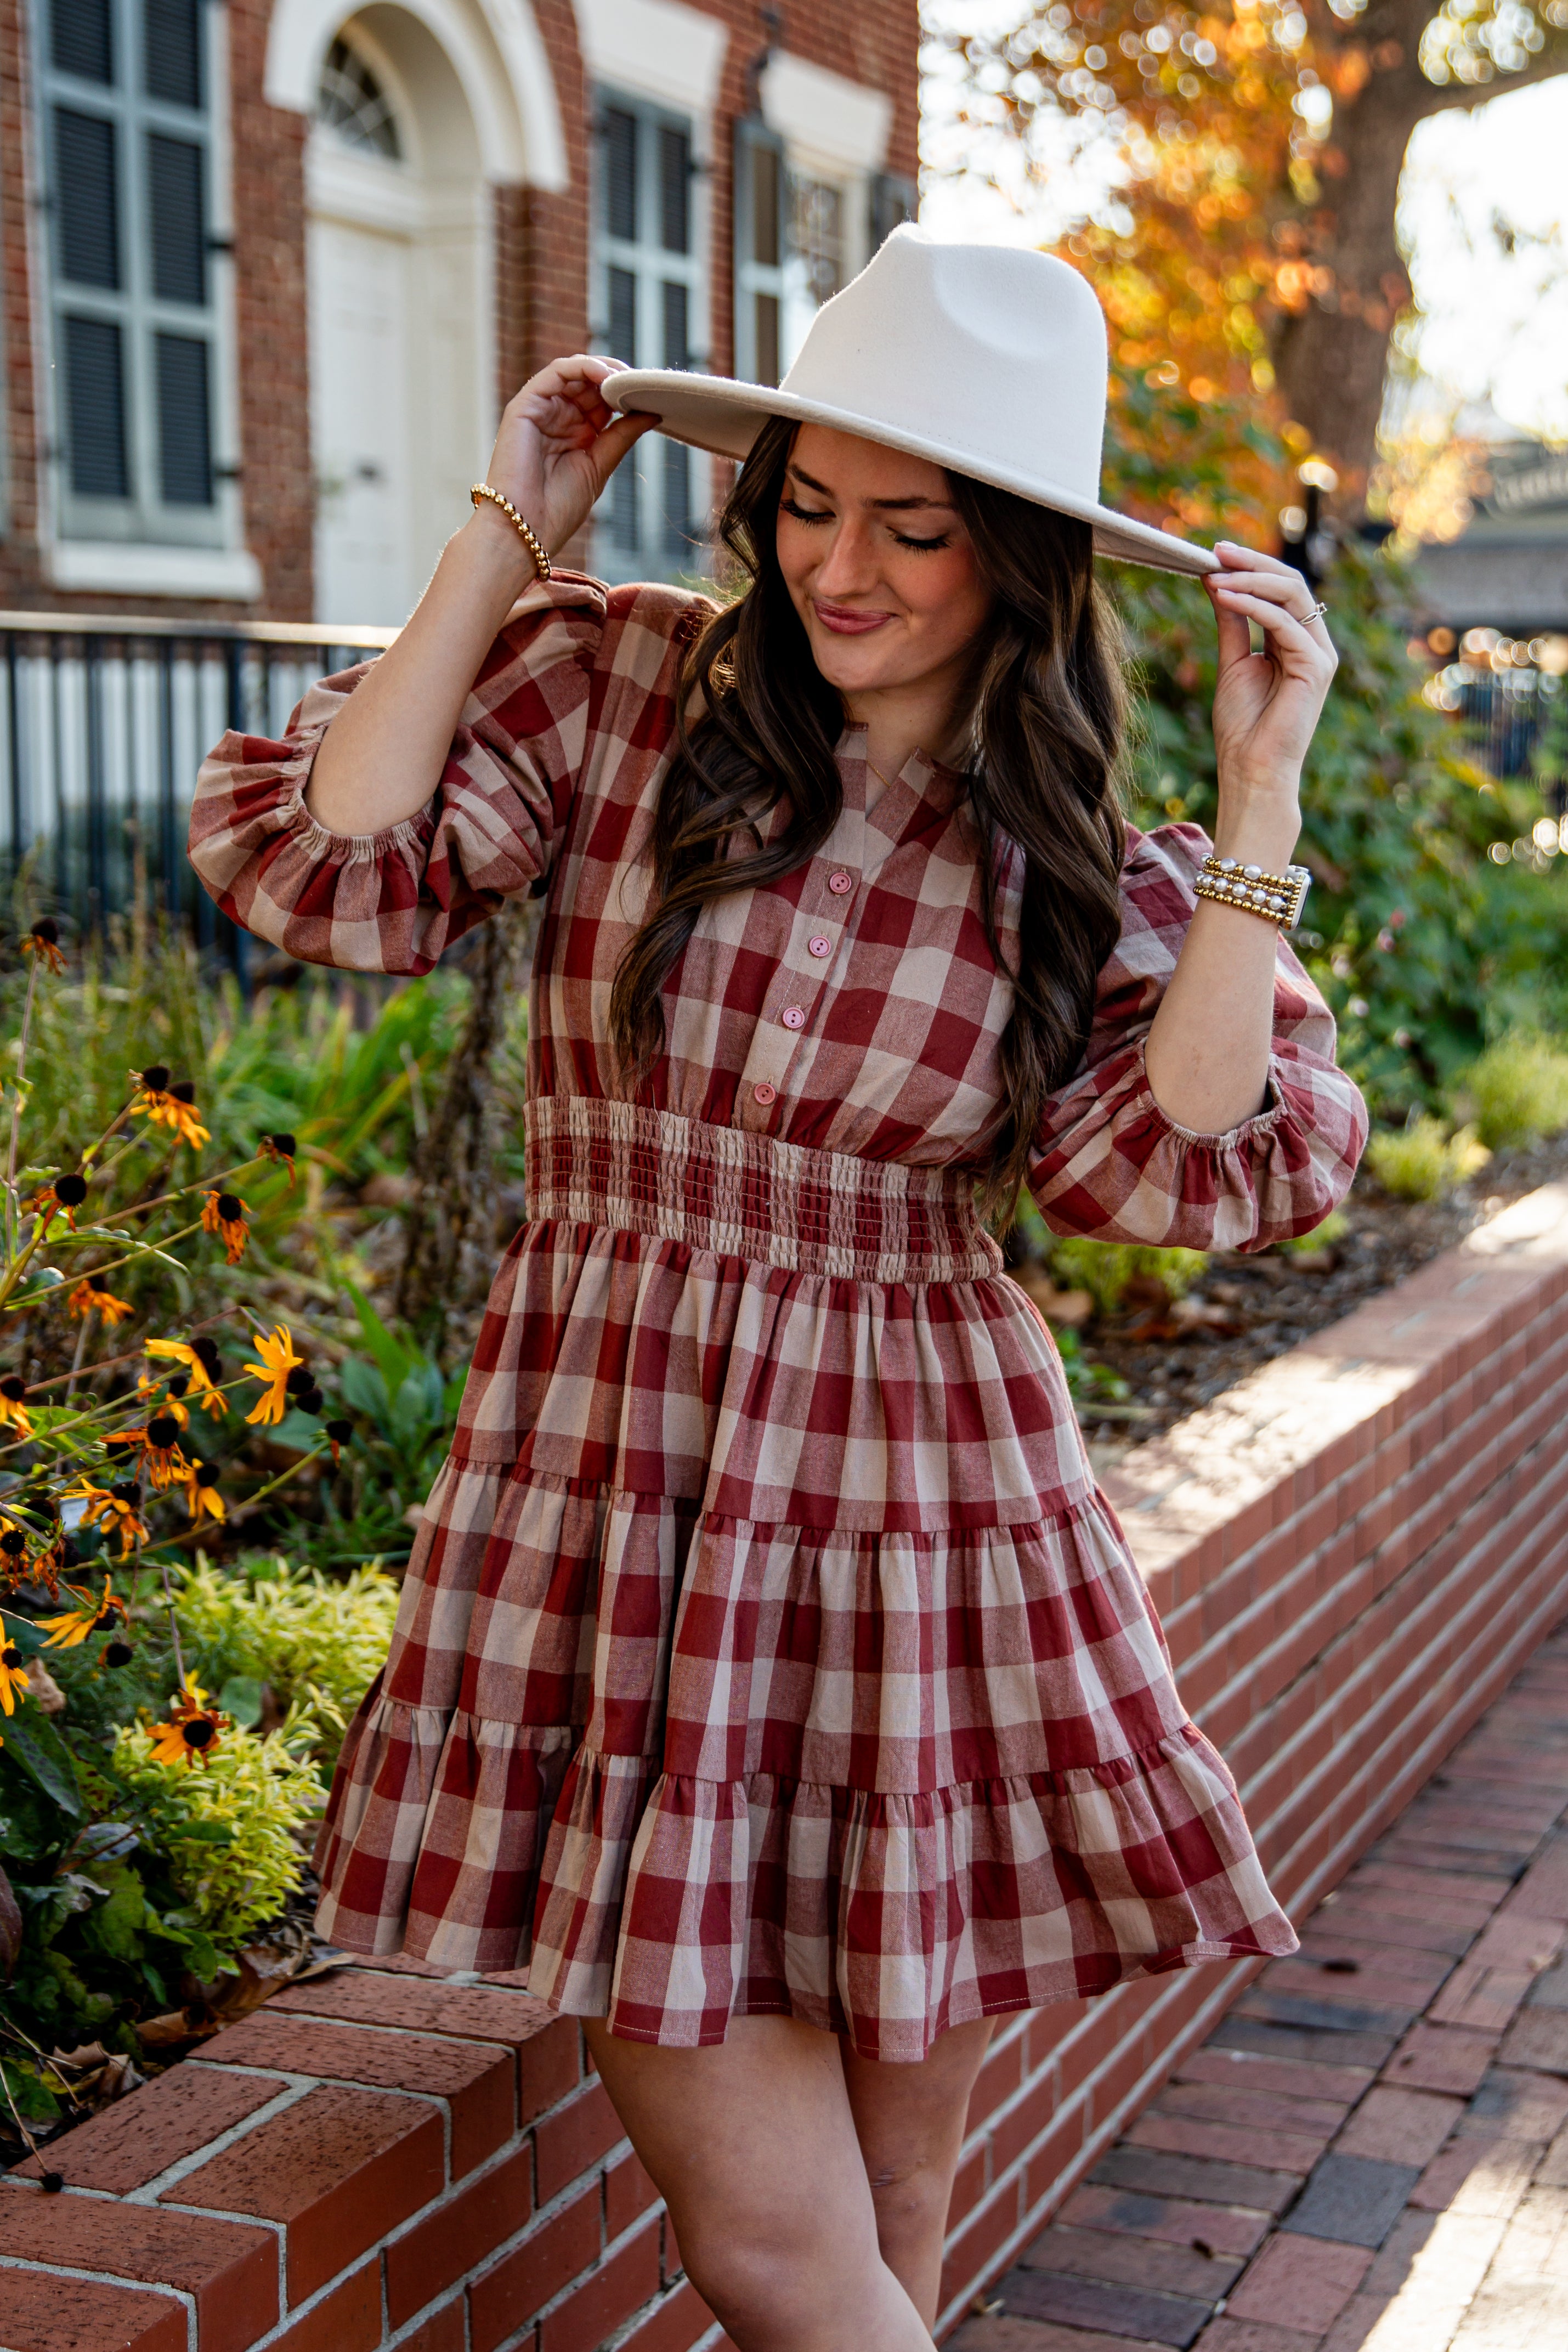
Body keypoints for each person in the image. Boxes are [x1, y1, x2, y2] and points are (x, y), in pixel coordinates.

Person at [190, 228, 1366, 2352]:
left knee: (898, 2197)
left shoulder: (1077, 839)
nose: (843, 566)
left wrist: (1264, 784)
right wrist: (503, 528)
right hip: (615, 1499)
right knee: (783, 2254)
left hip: (923, 1530)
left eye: (911, 528)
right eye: (808, 504)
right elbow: (334, 871)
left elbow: (1170, 1160)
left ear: (1012, 557)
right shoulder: (621, 676)